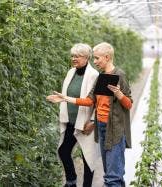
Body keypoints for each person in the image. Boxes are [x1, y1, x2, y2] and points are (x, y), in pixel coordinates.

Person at [47, 42, 132, 187]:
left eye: (97, 58)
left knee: (112, 177)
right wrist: (65, 98)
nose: (95, 61)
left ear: (107, 57)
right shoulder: (101, 77)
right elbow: (89, 100)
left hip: (115, 128)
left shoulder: (118, 75)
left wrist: (119, 94)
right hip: (102, 127)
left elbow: (129, 104)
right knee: (111, 173)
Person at [47, 43, 100, 187]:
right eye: (72, 56)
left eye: (77, 56)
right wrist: (59, 99)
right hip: (71, 121)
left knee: (88, 157)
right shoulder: (71, 72)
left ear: (86, 57)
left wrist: (93, 121)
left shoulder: (93, 75)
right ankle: (71, 181)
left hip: (85, 123)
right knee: (63, 151)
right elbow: (68, 94)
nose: (73, 59)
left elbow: (97, 101)